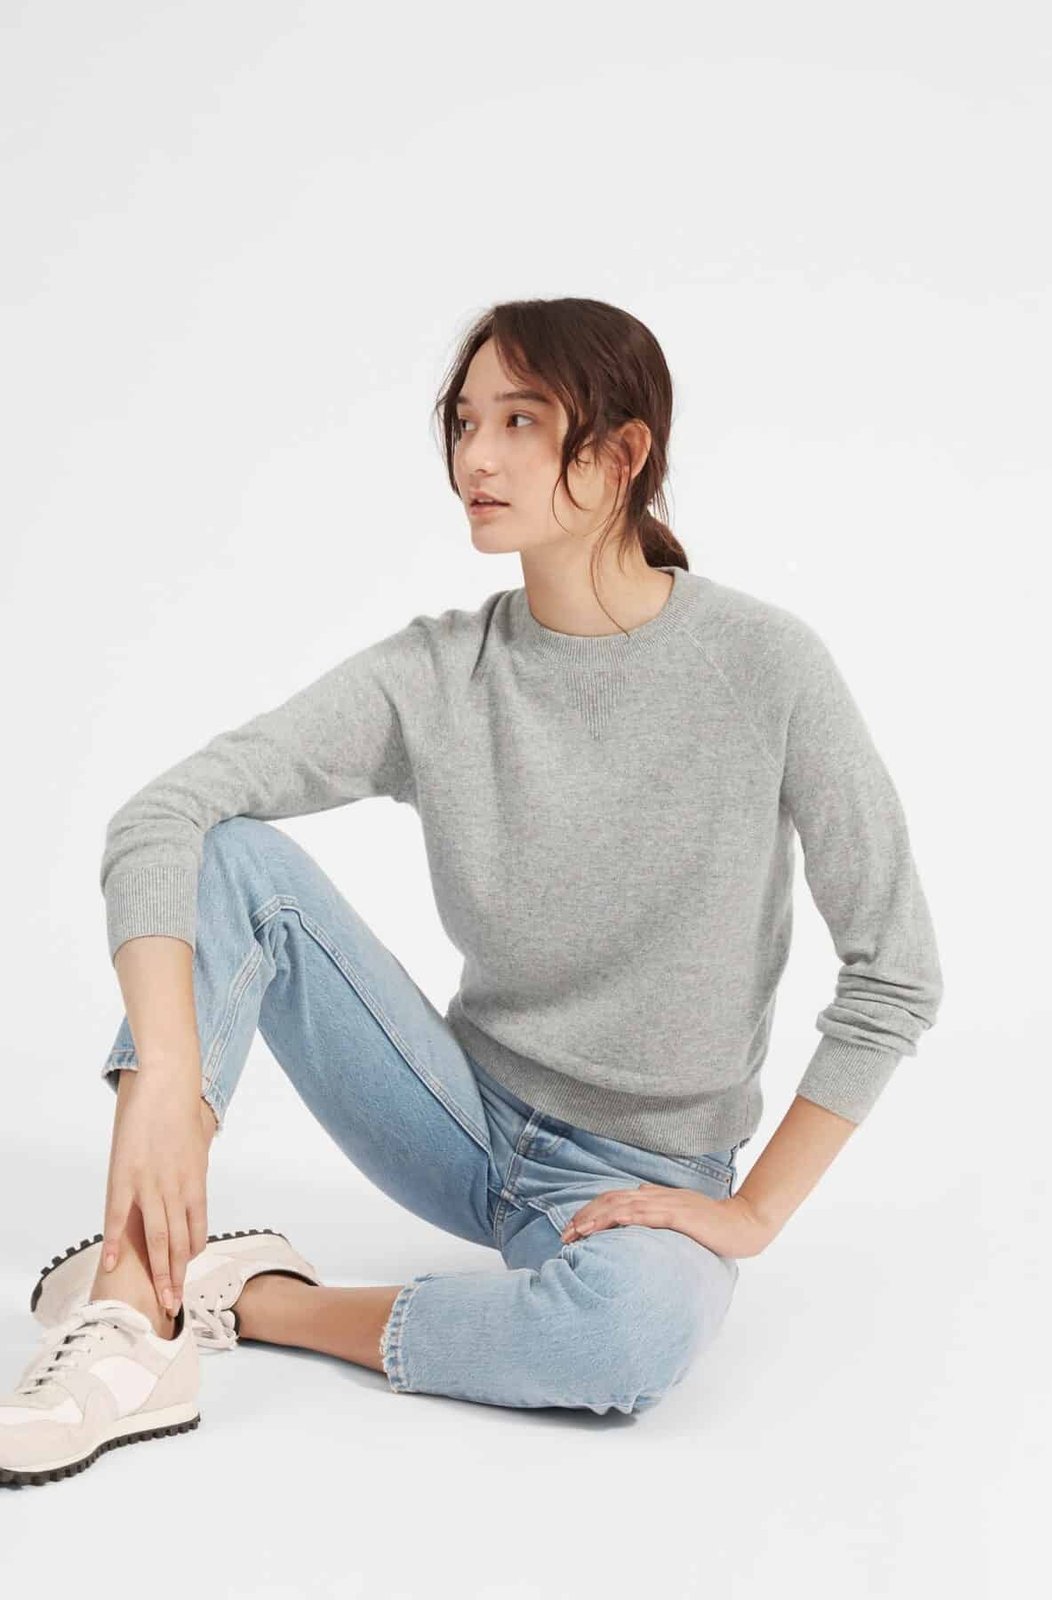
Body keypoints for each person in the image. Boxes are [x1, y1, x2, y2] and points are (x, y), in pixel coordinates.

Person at [0, 297, 944, 1487]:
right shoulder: (442, 672)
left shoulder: (765, 667)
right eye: (462, 422)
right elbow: (164, 816)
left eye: (519, 421)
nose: (475, 459)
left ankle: (253, 1298)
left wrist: (751, 1214)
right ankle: (135, 1313)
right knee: (230, 855)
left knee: (628, 1335)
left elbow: (896, 973)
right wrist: (168, 1075)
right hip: (452, 1115)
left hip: (645, 1181)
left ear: (621, 453)